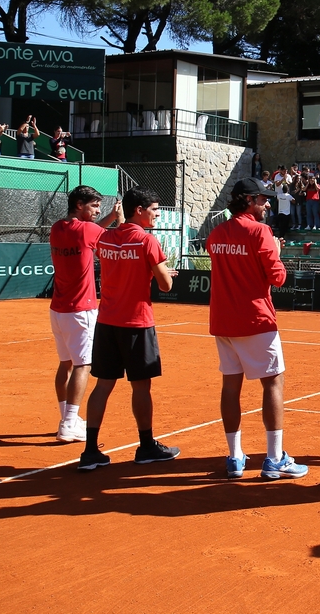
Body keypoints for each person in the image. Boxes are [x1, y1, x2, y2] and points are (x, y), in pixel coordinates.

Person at [208, 178, 307, 480]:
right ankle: (274, 458)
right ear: (249, 201)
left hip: (224, 321)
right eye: (263, 200)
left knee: (230, 386)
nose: (267, 204)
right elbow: (277, 278)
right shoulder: (261, 231)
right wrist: (275, 250)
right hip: (256, 319)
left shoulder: (217, 233)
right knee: (273, 384)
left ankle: (235, 456)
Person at [78, 187, 179, 472]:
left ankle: (89, 451)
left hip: (107, 322)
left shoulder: (105, 238)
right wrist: (157, 271)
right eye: (155, 210)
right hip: (136, 323)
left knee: (102, 385)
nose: (158, 215)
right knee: (141, 387)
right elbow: (165, 285)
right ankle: (146, 446)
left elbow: (118, 265)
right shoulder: (147, 241)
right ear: (139, 210)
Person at [49, 186, 124, 443]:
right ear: (79, 205)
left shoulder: (58, 228)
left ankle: (65, 418)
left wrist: (109, 217)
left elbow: (90, 231)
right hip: (81, 310)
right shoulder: (89, 231)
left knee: (66, 364)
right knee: (83, 365)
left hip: (58, 310)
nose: (97, 211)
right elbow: (118, 239)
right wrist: (120, 219)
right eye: (93, 206)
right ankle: (69, 424)